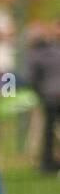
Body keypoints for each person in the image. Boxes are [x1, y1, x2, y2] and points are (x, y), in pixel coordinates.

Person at [26, 22, 60, 174]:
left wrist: (38, 93)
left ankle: (47, 164)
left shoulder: (35, 55)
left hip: (50, 97)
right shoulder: (55, 49)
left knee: (48, 132)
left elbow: (32, 78)